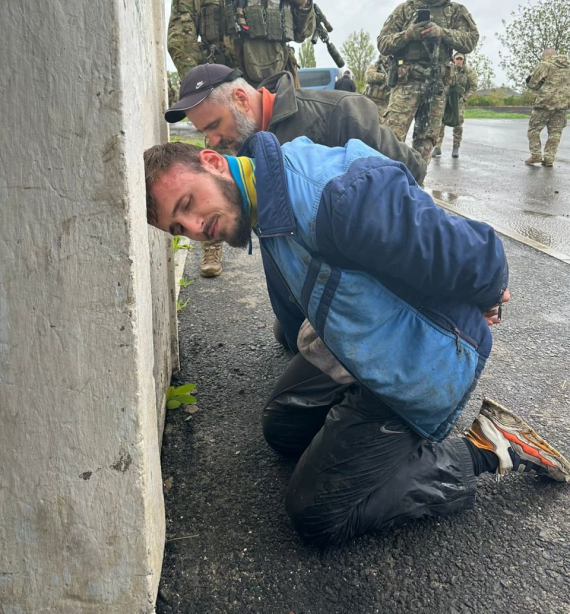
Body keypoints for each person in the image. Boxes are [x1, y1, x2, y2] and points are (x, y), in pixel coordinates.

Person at [144, 136, 570, 546]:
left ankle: (488, 447)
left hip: (421, 362)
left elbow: (472, 251)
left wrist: (490, 293)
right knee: (283, 428)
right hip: (370, 345)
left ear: (213, 161)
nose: (198, 228)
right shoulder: (262, 196)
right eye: (180, 227)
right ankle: (373, 441)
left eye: (188, 204)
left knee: (316, 514)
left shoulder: (335, 198)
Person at [167, 0, 317, 277]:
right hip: (229, 99)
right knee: (216, 170)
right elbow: (179, 35)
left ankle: (306, 249)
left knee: (295, 170)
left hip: (276, 94)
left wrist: (303, 1)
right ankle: (212, 246)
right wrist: (208, 89)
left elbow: (303, 32)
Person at [164, 63, 427, 184]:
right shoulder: (245, 148)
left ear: (241, 99)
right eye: (204, 132)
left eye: (214, 125)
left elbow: (410, 170)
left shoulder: (337, 112)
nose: (214, 140)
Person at [377, 0, 479, 164]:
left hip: (437, 85)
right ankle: (385, 185)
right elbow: (383, 43)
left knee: (426, 143)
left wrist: (443, 33)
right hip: (407, 82)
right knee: (389, 139)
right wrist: (407, 35)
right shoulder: (405, 10)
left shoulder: (456, 11)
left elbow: (470, 40)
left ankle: (415, 188)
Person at [524, 48, 570, 166]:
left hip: (545, 104)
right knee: (555, 133)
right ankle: (549, 158)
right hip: (563, 105)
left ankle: (536, 155)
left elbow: (532, 84)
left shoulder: (545, 65)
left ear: (546, 56)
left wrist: (541, 83)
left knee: (534, 130)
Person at [432, 53, 478, 158]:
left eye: (461, 59)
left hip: (459, 100)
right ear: (454, 59)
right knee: (440, 123)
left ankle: (456, 147)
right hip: (446, 99)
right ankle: (437, 147)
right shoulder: (449, 69)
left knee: (458, 123)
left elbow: (473, 86)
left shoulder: (468, 72)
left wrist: (465, 97)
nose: (459, 61)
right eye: (457, 59)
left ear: (464, 60)